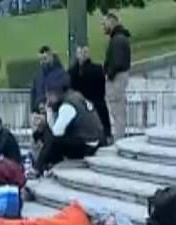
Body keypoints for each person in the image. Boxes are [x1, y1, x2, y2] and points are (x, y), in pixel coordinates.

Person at [33, 81, 103, 173]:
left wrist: (49, 112)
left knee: (50, 137)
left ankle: (38, 167)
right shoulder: (76, 96)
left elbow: (56, 132)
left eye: (48, 94)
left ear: (55, 93)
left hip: (87, 145)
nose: (47, 98)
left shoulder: (67, 106)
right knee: (47, 135)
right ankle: (47, 164)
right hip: (93, 140)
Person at [68, 45, 111, 143]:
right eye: (80, 52)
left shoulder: (73, 72)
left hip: (87, 105)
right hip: (94, 105)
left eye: (84, 52)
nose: (82, 55)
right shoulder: (74, 72)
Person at [102, 12, 132, 144]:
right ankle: (119, 137)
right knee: (118, 111)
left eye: (105, 23)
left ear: (112, 22)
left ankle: (119, 139)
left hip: (116, 79)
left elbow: (117, 62)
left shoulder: (118, 40)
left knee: (117, 111)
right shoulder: (119, 39)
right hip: (118, 77)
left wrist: (109, 73)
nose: (103, 26)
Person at [30, 45, 64, 115]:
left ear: (50, 57)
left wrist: (46, 104)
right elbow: (34, 92)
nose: (42, 61)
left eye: (44, 58)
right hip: (40, 112)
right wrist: (34, 109)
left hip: (54, 112)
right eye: (40, 59)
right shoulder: (38, 74)